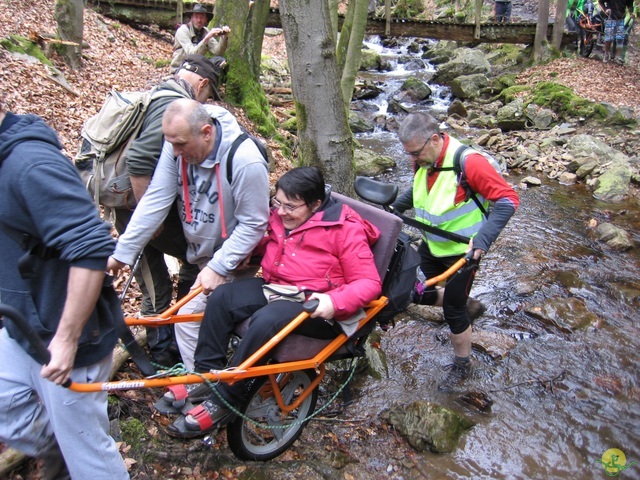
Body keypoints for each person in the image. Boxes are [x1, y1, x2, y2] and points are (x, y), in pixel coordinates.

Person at [161, 166, 382, 438]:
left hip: (318, 307)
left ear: (314, 204)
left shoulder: (344, 229)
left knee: (267, 320)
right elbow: (270, 242)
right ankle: (207, 375)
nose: (281, 212)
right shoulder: (281, 217)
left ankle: (227, 398)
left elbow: (369, 283)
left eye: (291, 206)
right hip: (277, 287)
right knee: (221, 298)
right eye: (278, 203)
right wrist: (251, 250)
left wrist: (334, 301)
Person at [0, 101, 129, 478]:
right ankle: (59, 455)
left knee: (90, 456)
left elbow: (91, 246)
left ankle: (73, 457)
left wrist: (67, 339)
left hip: (63, 336)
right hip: (22, 324)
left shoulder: (30, 165)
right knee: (9, 410)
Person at [106, 98, 270, 371]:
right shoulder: (177, 149)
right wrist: (122, 253)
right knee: (197, 319)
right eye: (170, 142)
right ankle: (209, 378)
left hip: (235, 257)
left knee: (187, 319)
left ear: (206, 132)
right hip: (199, 254)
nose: (174, 150)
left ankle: (202, 391)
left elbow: (254, 224)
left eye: (180, 143)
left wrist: (219, 266)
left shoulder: (245, 160)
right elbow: (155, 199)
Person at [104, 54, 224, 367]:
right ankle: (158, 353)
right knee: (155, 285)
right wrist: (150, 217)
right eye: (209, 95)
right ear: (203, 85)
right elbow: (141, 160)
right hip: (137, 210)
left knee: (187, 259)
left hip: (136, 208)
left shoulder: (161, 93)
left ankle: (175, 337)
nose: (207, 102)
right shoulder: (171, 104)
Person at [391, 112, 519, 392]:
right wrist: (394, 211)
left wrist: (483, 241)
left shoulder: (468, 162)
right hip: (432, 245)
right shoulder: (424, 159)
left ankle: (463, 365)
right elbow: (419, 190)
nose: (413, 160)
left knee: (453, 310)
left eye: (415, 153)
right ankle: (470, 305)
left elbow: (508, 199)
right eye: (409, 155)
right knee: (407, 287)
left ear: (435, 139)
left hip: (463, 254)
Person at [170, 3, 230, 73]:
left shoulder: (205, 31)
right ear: (192, 18)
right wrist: (206, 39)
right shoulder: (183, 30)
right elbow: (192, 54)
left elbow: (218, 52)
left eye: (201, 17)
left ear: (206, 19)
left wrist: (223, 38)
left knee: (220, 61)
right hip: (181, 68)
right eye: (196, 17)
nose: (199, 20)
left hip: (197, 67)